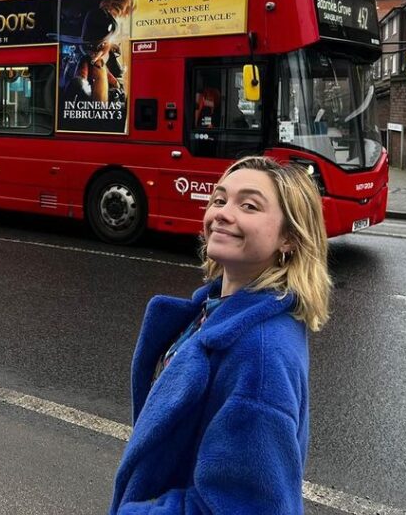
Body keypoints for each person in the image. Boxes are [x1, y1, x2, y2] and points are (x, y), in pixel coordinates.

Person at [109, 156, 332, 515]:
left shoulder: (259, 355)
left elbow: (246, 507)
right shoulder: (219, 310)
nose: (223, 213)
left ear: (289, 237)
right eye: (219, 199)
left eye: (248, 205)